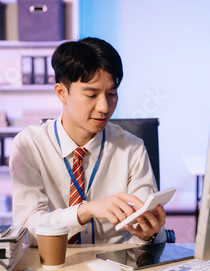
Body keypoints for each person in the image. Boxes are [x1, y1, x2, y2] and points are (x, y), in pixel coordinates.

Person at [10, 37, 167, 245]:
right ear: (61, 93)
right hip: (54, 266)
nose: (104, 107)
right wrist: (84, 211)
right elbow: (26, 229)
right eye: (92, 94)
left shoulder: (132, 149)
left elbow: (144, 229)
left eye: (111, 94)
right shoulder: (29, 146)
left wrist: (149, 233)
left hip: (117, 269)